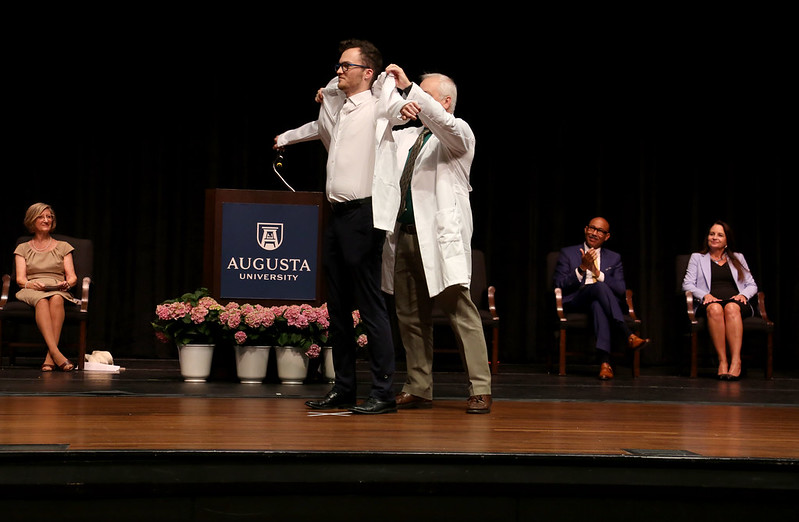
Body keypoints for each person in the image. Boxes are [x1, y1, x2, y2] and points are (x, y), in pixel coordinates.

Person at [273, 39, 406, 414]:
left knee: (370, 305)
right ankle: (345, 387)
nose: (338, 71)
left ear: (368, 72)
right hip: (337, 215)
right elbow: (317, 126)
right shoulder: (340, 109)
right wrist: (285, 137)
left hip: (365, 215)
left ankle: (383, 392)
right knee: (337, 307)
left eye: (346, 65)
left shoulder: (381, 105)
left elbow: (399, 108)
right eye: (337, 65)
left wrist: (399, 89)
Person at [380, 65, 492, 413]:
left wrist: (410, 86)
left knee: (461, 312)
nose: (416, 101)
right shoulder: (409, 138)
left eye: (425, 97)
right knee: (410, 316)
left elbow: (443, 124)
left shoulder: (460, 137)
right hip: (406, 237)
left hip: (439, 241)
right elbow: (378, 131)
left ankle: (480, 388)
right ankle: (419, 386)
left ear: (445, 102)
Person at [552, 217, 649, 380]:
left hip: (602, 302)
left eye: (600, 231)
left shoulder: (614, 258)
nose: (594, 233)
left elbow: (620, 289)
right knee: (599, 287)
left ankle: (605, 364)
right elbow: (559, 284)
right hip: (577, 300)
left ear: (607, 236)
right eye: (592, 228)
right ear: (585, 229)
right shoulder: (568, 253)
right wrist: (582, 268)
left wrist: (597, 273)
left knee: (598, 301)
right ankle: (628, 334)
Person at [682, 220, 757, 380]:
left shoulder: (738, 258)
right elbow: (687, 284)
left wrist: (743, 295)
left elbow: (752, 285)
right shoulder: (697, 258)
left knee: (730, 307)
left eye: (719, 235)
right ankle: (722, 361)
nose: (714, 237)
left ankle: (736, 361)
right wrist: (704, 295)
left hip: (736, 302)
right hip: (709, 301)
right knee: (715, 308)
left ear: (726, 241)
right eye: (712, 234)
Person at [13, 202, 79, 372]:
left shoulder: (64, 246)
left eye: (49, 216)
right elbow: (20, 279)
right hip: (31, 288)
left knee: (57, 298)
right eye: (41, 216)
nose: (46, 220)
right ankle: (56, 353)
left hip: (56, 287)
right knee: (42, 300)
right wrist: (31, 284)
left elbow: (72, 278)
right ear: (32, 220)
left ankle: (50, 357)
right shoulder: (22, 248)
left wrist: (66, 284)